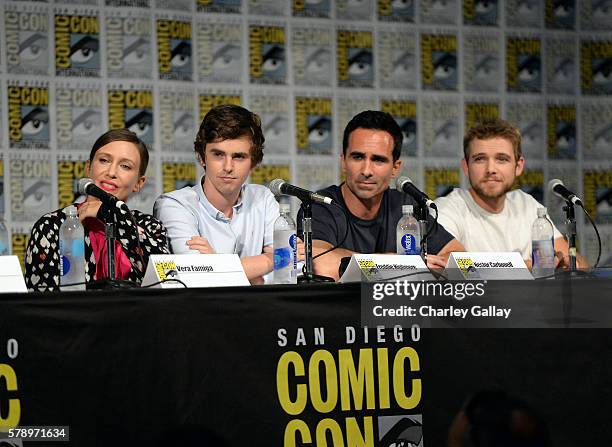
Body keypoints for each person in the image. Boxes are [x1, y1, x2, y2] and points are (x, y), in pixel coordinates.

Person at [300, 110, 464, 281]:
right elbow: (323, 265)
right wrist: (403, 264)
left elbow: (458, 258)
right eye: (357, 157)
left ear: (395, 167)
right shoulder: (320, 205)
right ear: (343, 161)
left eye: (378, 160)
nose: (366, 171)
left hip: (397, 307)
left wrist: (382, 266)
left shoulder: (405, 206)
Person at [25, 129, 170, 292]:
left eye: (125, 166)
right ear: (89, 168)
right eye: (104, 160)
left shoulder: (150, 227)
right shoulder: (52, 226)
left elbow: (168, 280)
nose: (111, 172)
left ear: (139, 183)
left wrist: (114, 216)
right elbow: (40, 302)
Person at [434, 119, 584, 269]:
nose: (490, 169)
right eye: (480, 159)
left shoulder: (527, 205)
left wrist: (568, 265)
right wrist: (528, 267)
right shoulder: (447, 208)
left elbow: (576, 261)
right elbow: (446, 264)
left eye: (502, 159)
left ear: (518, 166)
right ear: (466, 167)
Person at [154, 104, 279, 284]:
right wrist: (269, 262)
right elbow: (197, 275)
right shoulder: (175, 205)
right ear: (201, 157)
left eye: (239, 156)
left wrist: (217, 264)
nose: (228, 167)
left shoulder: (263, 199)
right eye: (218, 155)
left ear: (253, 162)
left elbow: (291, 269)